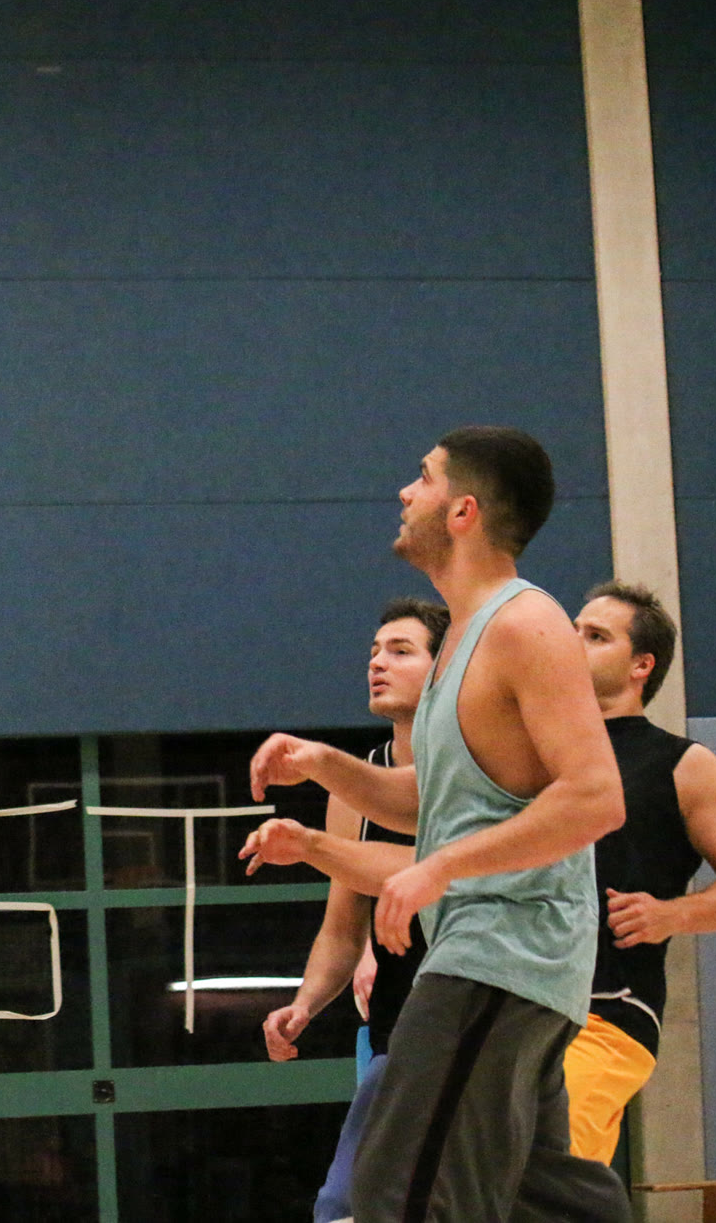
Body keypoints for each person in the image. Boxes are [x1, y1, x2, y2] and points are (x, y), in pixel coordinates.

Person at [249, 426, 632, 1222]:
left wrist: (440, 867)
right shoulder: (463, 635)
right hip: (504, 966)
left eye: (422, 477)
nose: (404, 491)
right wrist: (323, 764)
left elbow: (597, 797)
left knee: (400, 1190)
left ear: (463, 511)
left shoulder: (527, 623)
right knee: (540, 1198)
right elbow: (434, 798)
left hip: (502, 955)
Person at [238, 597, 447, 1223]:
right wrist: (304, 1005)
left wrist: (309, 845)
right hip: (394, 1029)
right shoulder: (355, 788)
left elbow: (439, 871)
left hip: (473, 1022)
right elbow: (341, 925)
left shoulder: (479, 772)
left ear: (447, 668)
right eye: (374, 652)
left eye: (401, 651)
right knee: (353, 1204)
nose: (377, 663)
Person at [565, 582, 716, 1164]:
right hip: (519, 1005)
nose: (572, 643)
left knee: (544, 1156)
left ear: (642, 665)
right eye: (572, 630)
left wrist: (673, 914)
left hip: (609, 1008)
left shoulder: (683, 763)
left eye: (595, 636)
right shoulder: (531, 752)